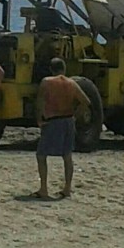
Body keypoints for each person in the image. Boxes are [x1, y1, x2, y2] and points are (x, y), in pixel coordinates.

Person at [33, 57, 91, 199]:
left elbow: (40, 102)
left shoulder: (46, 82)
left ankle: (44, 189)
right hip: (68, 120)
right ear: (64, 69)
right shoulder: (72, 83)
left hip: (53, 120)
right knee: (67, 156)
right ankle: (67, 188)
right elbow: (86, 101)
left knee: (41, 155)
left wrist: (39, 119)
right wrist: (75, 116)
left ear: (51, 69)